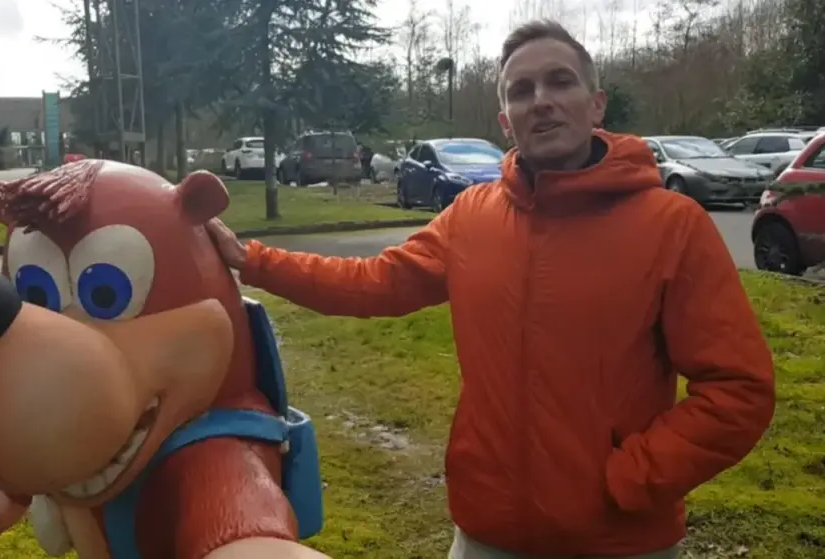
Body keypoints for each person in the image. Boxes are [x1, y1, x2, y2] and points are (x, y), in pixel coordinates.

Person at [205, 19, 776, 559]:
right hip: (487, 532)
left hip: (621, 540)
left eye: (560, 81)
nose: (541, 100)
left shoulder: (672, 225)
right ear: (505, 120)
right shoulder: (472, 215)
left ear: (596, 104)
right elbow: (375, 282)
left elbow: (737, 390)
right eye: (521, 90)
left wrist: (632, 478)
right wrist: (254, 260)